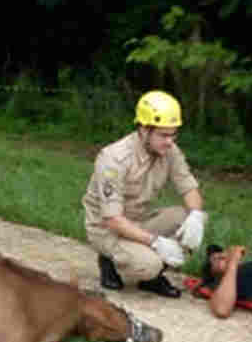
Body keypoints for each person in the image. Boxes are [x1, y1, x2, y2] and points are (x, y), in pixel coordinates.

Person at [84, 90, 207, 298]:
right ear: (143, 130)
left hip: (137, 220)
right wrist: (156, 243)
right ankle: (110, 260)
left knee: (191, 219)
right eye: (164, 135)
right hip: (107, 228)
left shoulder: (169, 150)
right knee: (150, 264)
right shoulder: (114, 159)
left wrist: (196, 215)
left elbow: (189, 187)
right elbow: (113, 220)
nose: (170, 141)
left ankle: (151, 276)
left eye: (174, 134)